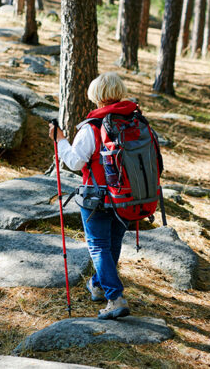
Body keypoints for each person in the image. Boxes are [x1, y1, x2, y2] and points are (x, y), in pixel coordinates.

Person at [50, 72, 140, 320]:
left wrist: (60, 141)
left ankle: (115, 297)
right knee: (112, 244)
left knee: (99, 246)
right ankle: (98, 286)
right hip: (128, 197)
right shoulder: (133, 121)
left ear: (96, 96)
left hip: (97, 196)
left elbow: (75, 161)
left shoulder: (93, 126)